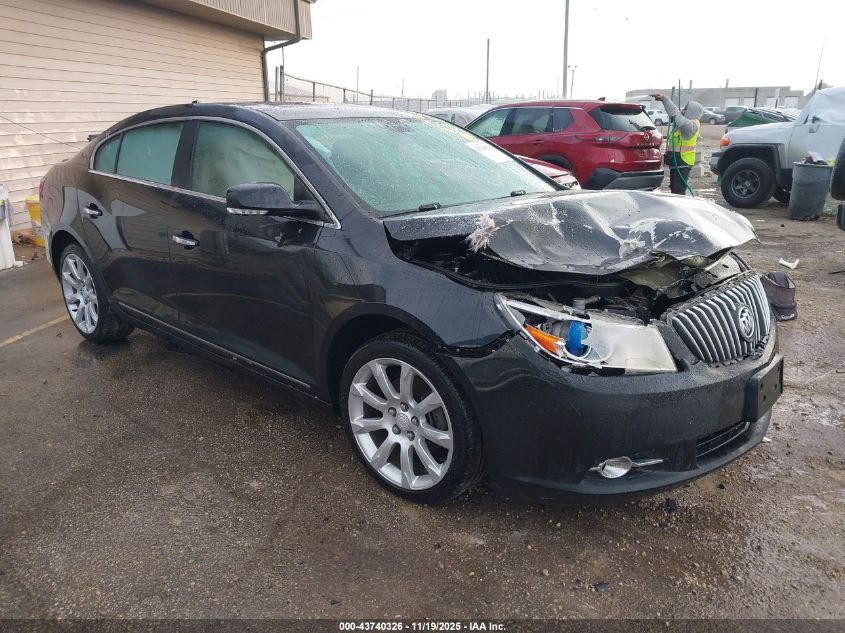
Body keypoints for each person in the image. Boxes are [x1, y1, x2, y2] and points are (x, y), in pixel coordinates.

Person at [653, 93, 703, 195]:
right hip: (677, 162)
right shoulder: (684, 125)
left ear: (691, 111)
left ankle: (679, 208)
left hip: (683, 162)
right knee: (675, 188)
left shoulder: (691, 125)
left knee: (678, 190)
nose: (683, 111)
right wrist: (664, 100)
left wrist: (664, 98)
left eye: (685, 109)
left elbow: (677, 115)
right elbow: (673, 114)